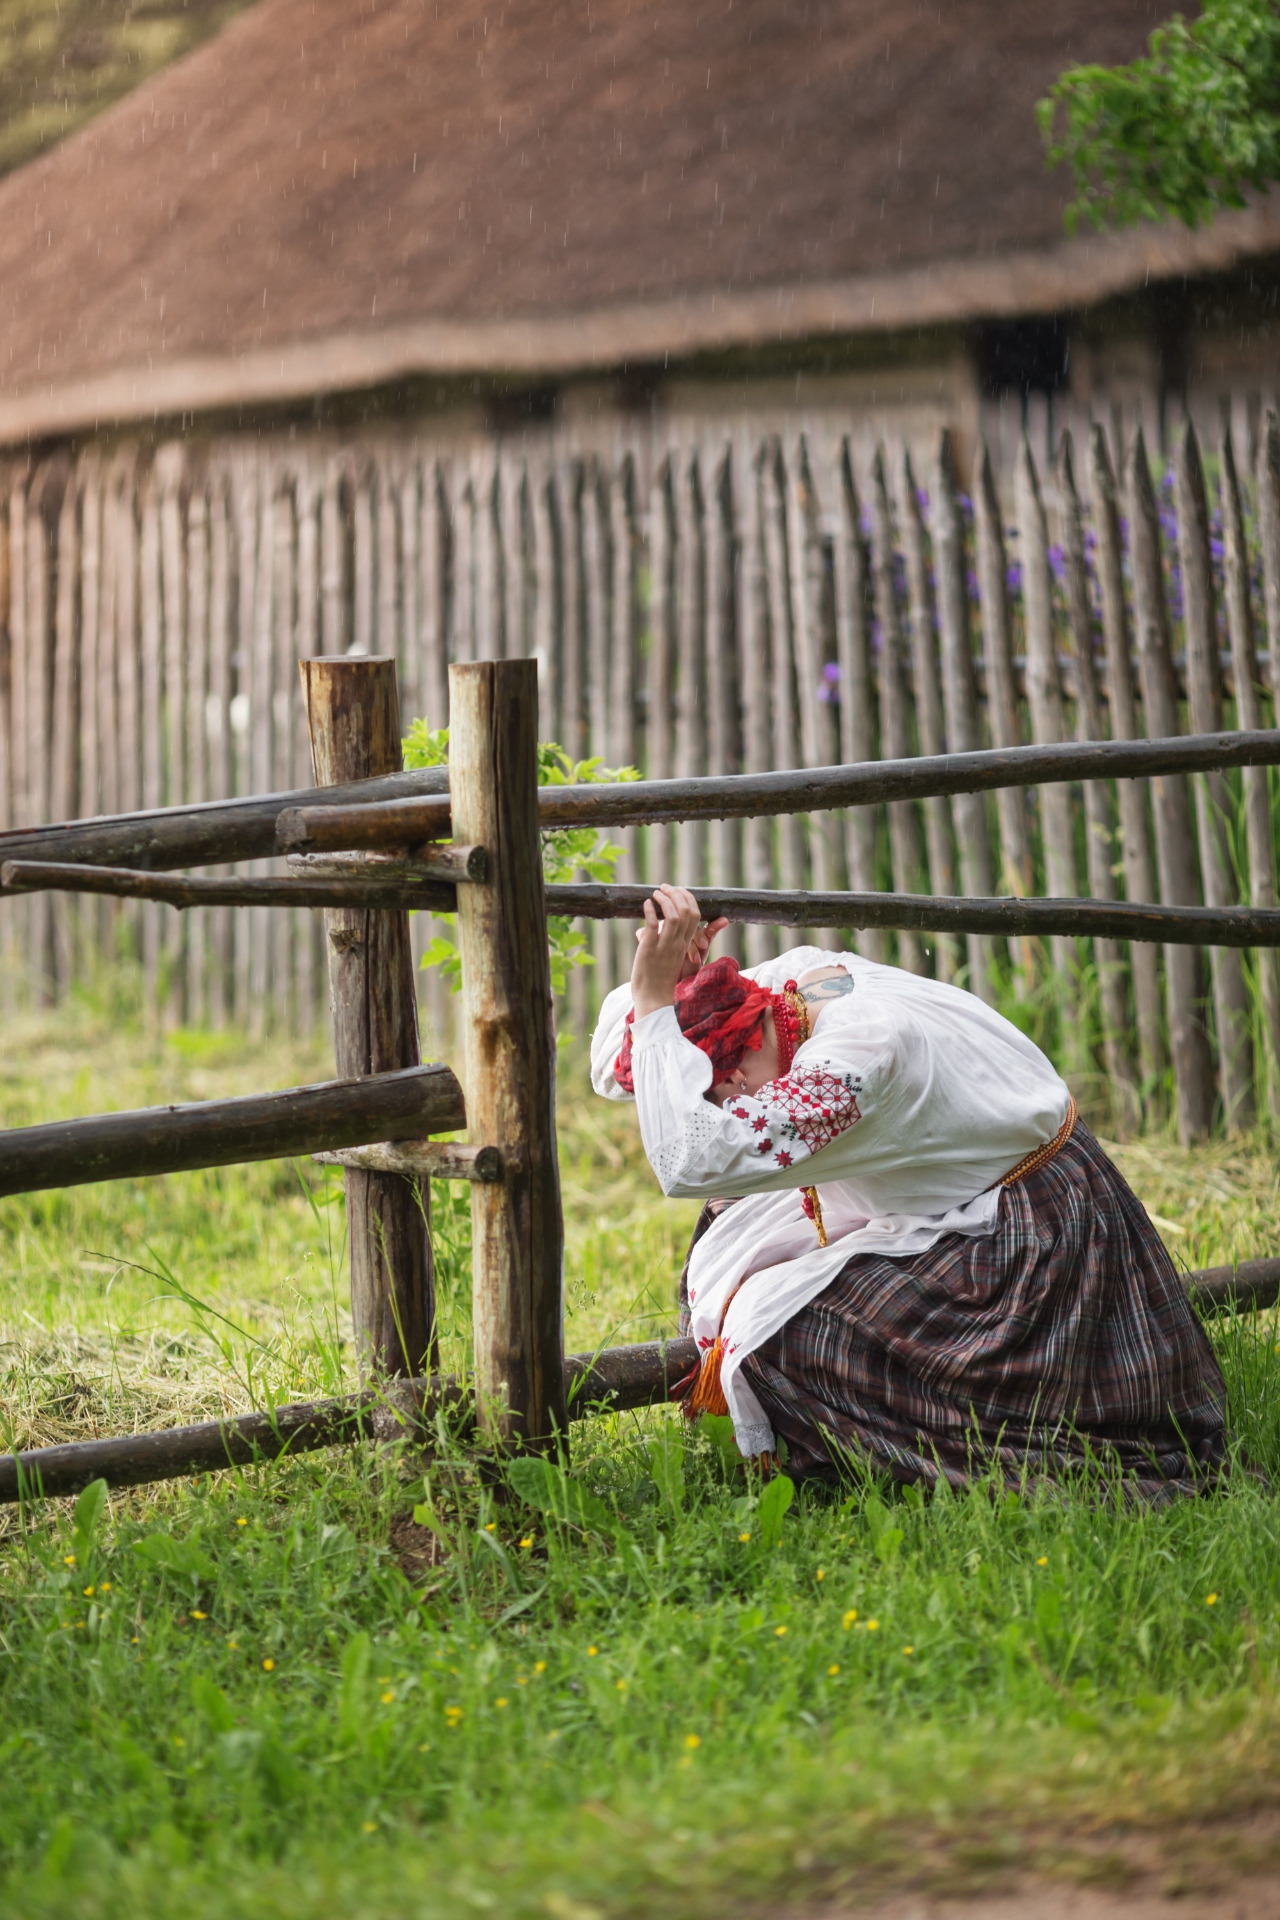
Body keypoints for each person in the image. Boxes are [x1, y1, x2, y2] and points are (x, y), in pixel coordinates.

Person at [590, 885, 1229, 1498]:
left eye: (725, 1089)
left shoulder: (860, 1055)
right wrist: (668, 988)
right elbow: (616, 1075)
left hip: (1025, 1239)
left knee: (785, 1333)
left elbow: (686, 1161)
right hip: (945, 1189)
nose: (731, 1103)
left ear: (734, 1061)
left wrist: (655, 1005)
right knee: (735, 1219)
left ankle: (863, 1461)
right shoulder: (787, 985)